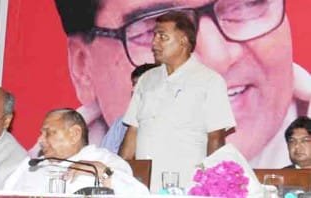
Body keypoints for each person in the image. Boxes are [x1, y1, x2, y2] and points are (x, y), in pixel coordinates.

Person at [54, 0, 298, 169]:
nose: (218, 58)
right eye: (155, 28)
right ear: (83, 66)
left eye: (244, 5)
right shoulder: (35, 178)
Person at [119, 11, 236, 190]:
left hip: (187, 185)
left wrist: (210, 186)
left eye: (162, 37)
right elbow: (132, 133)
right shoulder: (146, 80)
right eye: (154, 36)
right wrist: (120, 177)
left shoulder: (209, 81)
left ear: (183, 41)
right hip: (143, 187)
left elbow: (216, 139)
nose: (154, 43)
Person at [3, 108, 148, 195]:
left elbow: (140, 195)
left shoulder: (105, 161)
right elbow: (5, 195)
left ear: (74, 134)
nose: (40, 139)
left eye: (48, 133)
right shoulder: (32, 166)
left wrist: (102, 171)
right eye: (41, 133)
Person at [99, 63, 159, 154]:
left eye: (141, 85)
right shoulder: (121, 123)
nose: (134, 90)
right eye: (134, 85)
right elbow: (103, 157)